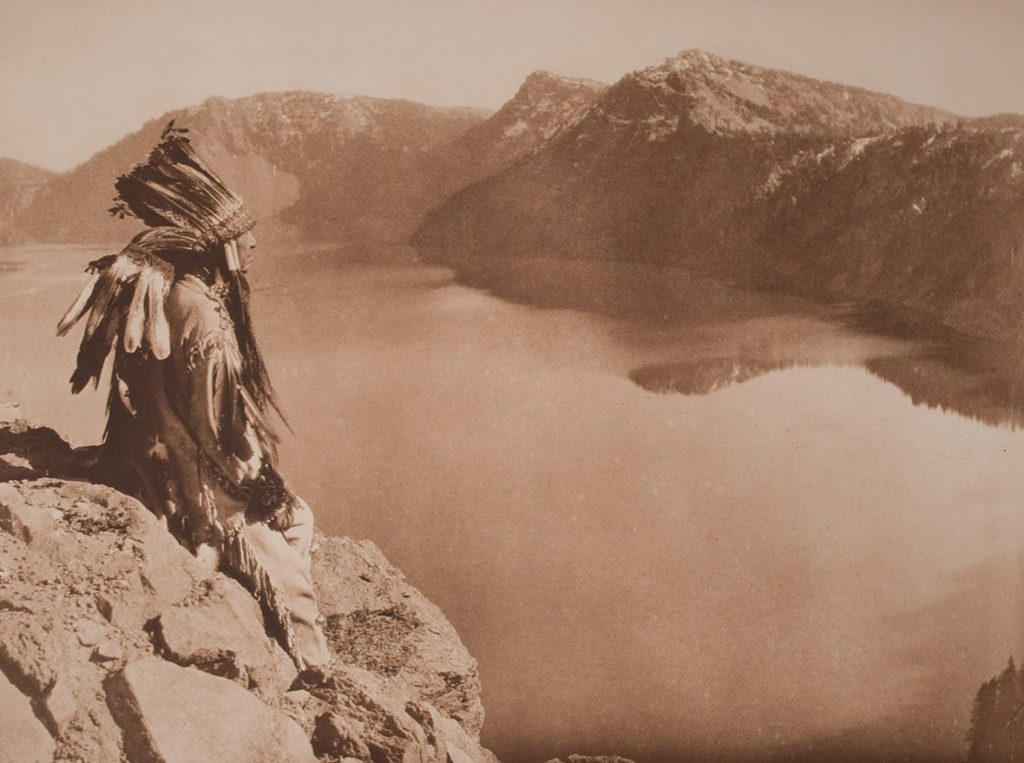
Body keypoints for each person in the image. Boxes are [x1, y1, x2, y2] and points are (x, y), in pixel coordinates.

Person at [57, 122, 330, 670]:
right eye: (243, 234)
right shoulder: (199, 313)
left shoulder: (178, 295)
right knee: (291, 575)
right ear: (218, 246)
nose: (253, 242)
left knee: (299, 519)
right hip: (201, 487)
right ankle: (311, 674)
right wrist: (259, 487)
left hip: (160, 460)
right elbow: (214, 429)